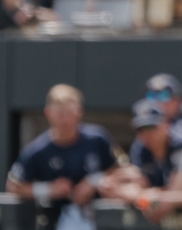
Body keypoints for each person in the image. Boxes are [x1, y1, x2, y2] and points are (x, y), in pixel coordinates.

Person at [7, 84, 118, 230]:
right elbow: (14, 186)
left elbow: (118, 170)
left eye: (70, 113)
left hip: (101, 220)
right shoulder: (37, 150)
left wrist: (93, 182)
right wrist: (49, 189)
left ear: (80, 112)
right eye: (60, 114)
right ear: (48, 113)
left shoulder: (98, 139)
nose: (66, 120)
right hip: (55, 221)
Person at [129, 99, 182, 190]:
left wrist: (152, 193)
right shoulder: (139, 148)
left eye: (151, 127)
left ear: (166, 124)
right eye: (140, 129)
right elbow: (138, 184)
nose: (146, 134)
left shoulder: (180, 144)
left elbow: (181, 188)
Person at [144, 73, 182, 141]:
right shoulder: (144, 131)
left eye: (164, 95)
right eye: (152, 95)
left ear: (177, 101)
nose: (157, 101)